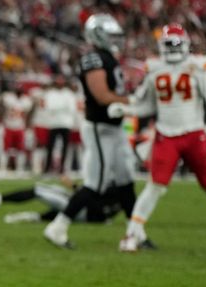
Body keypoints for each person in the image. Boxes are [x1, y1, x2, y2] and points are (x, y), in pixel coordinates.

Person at [108, 24, 206, 252]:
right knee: (155, 185)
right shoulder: (154, 67)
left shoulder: (198, 64)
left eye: (176, 43)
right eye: (169, 43)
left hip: (194, 131)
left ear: (185, 44)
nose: (173, 48)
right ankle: (132, 234)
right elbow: (146, 104)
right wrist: (127, 110)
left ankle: (132, 234)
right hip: (166, 134)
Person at [43, 13, 136, 248]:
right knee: (96, 183)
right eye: (111, 35)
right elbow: (102, 95)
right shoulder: (93, 59)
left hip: (114, 128)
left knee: (125, 179)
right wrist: (132, 101)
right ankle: (58, 226)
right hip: (99, 128)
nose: (116, 40)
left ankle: (136, 232)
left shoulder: (107, 57)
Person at [0, 177, 122, 224]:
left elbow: (94, 202)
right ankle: (25, 216)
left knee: (39, 191)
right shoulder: (119, 190)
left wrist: (74, 187)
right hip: (84, 210)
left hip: (83, 210)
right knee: (46, 188)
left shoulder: (115, 191)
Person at [42, 75, 78, 177]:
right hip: (53, 123)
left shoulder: (69, 94)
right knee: (50, 146)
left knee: (65, 147)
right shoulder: (51, 93)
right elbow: (49, 107)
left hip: (66, 123)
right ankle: (47, 168)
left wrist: (58, 108)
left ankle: (62, 168)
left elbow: (72, 109)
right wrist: (62, 107)